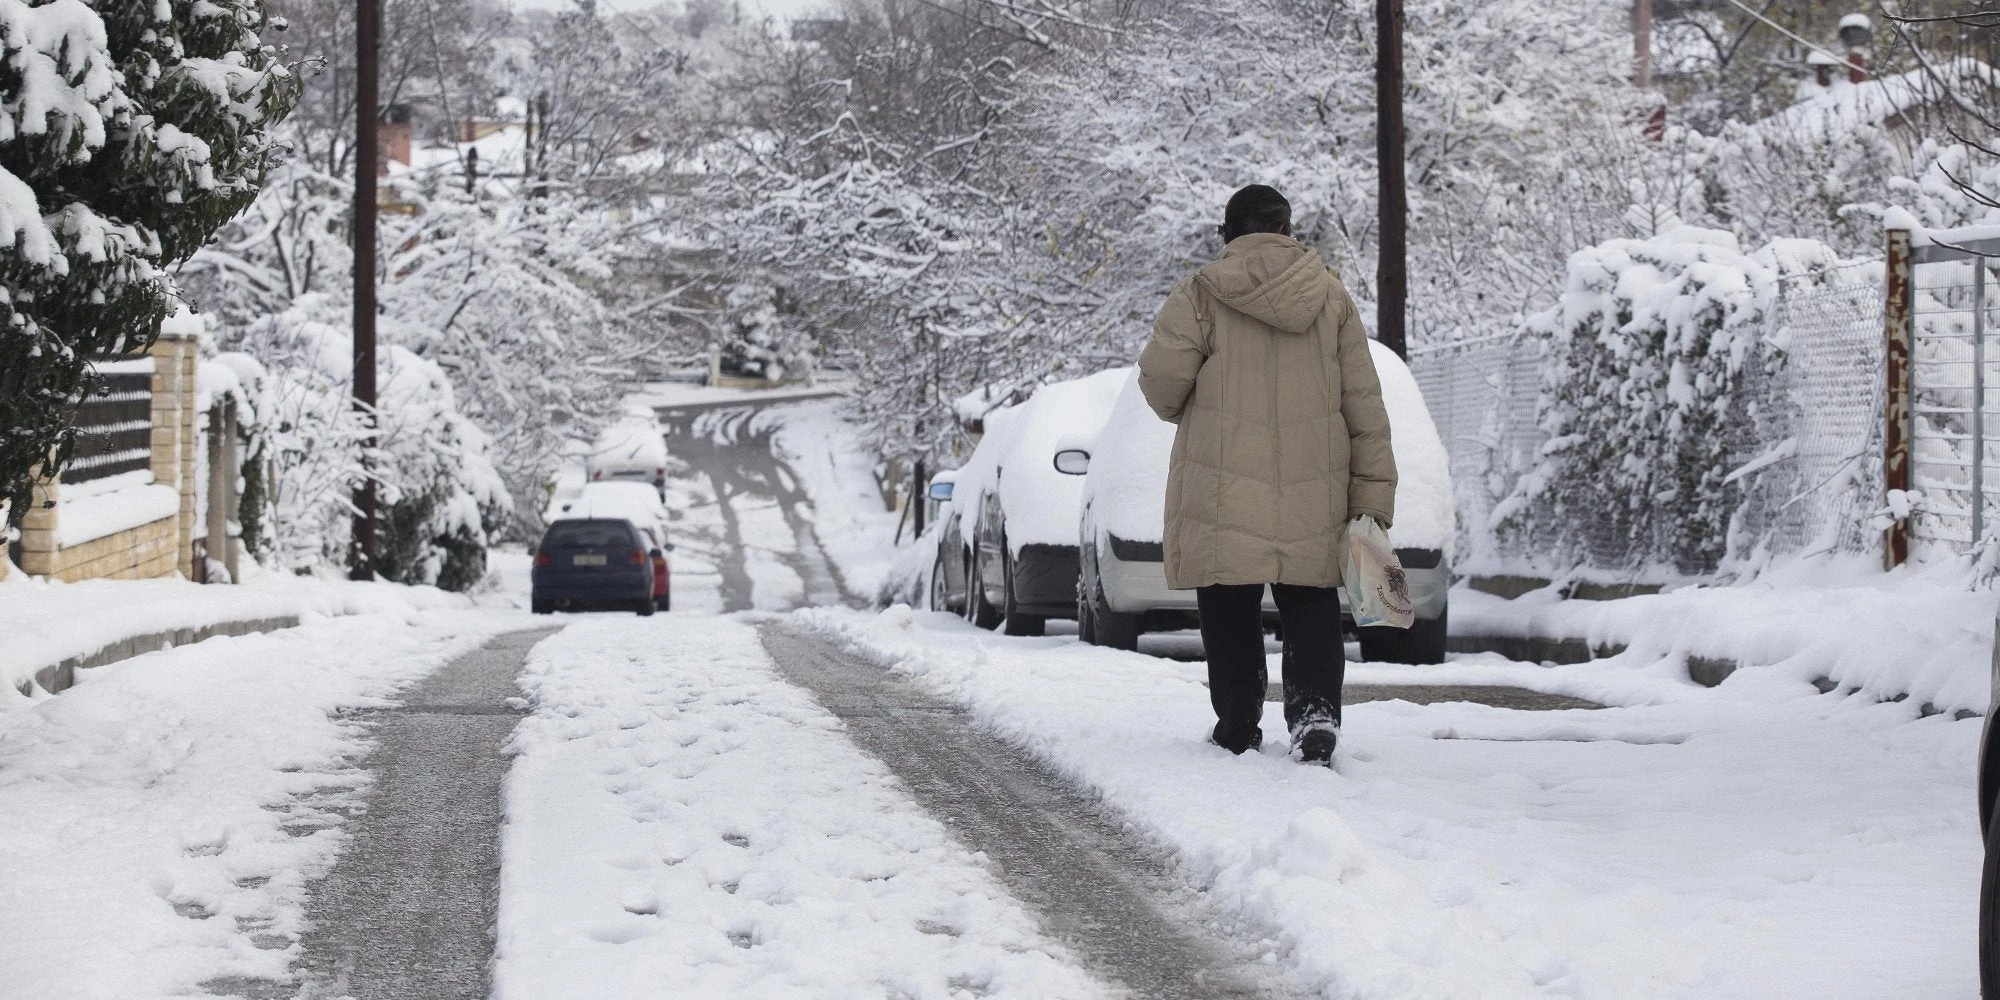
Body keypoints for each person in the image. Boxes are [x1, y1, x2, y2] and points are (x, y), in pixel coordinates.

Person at [1136, 184, 1397, 765]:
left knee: (1228, 602)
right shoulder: (1331, 299)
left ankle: (1236, 725)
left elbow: (1160, 388)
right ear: (1286, 230)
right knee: (1310, 601)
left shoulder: (1201, 295)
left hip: (1223, 484)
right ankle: (1315, 721)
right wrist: (1374, 496)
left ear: (1228, 233)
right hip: (1316, 487)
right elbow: (1365, 407)